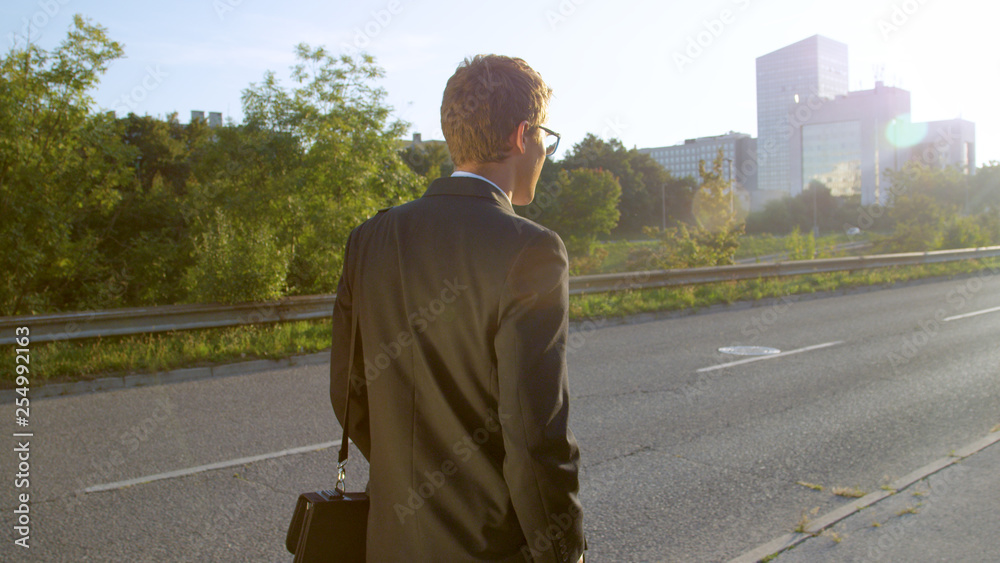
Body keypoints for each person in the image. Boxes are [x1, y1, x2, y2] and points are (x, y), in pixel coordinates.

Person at [330, 54, 585, 562]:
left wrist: (414, 481)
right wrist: (563, 553)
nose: (545, 153)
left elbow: (348, 394)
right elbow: (535, 433)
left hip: (390, 543)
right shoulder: (530, 249)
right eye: (546, 139)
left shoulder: (370, 238)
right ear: (522, 135)